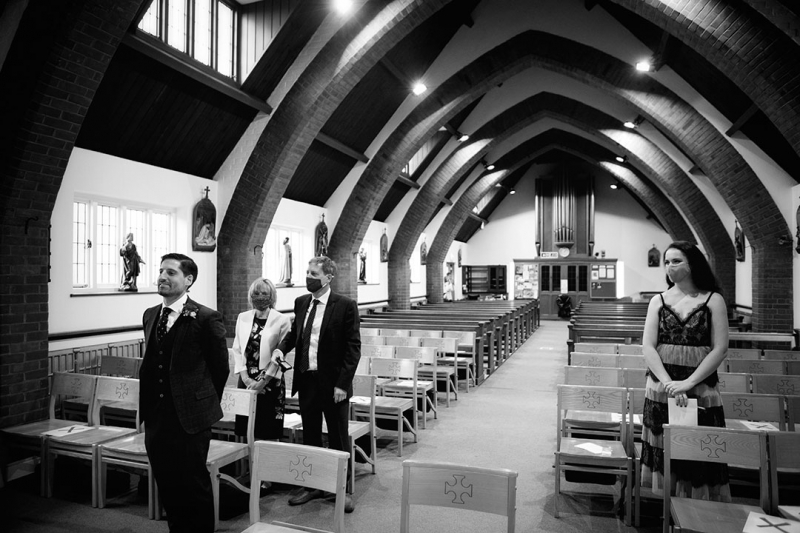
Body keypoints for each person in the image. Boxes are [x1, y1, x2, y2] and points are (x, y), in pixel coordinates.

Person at [139, 253, 229, 533]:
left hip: (191, 418)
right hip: (157, 417)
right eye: (161, 271)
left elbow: (220, 369)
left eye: (171, 272)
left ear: (188, 280)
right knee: (167, 482)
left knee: (193, 484)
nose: (162, 277)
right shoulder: (150, 314)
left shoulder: (206, 317)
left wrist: (200, 403)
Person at [640, 241, 730, 501]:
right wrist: (669, 383)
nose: (670, 266)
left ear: (693, 264)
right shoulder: (658, 301)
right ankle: (667, 508)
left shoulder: (713, 300)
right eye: (666, 262)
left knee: (697, 444)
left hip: (700, 385)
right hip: (661, 385)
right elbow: (648, 346)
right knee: (665, 444)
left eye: (676, 261)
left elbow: (720, 348)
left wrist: (688, 382)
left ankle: (695, 510)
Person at [271, 256, 360, 513]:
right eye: (308, 272)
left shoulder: (345, 305)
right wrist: (281, 349)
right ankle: (312, 485)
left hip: (333, 384)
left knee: (337, 436)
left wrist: (342, 384)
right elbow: (295, 334)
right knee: (310, 435)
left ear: (328, 277)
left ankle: (341, 488)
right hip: (307, 379)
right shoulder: (302, 302)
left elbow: (353, 348)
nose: (308, 277)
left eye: (314, 273)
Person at [231, 278, 291, 440]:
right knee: (245, 430)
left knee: (267, 430)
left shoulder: (282, 319)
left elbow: (281, 353)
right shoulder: (243, 317)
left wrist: (262, 382)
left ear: (272, 296)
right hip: (246, 378)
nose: (260, 296)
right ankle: (246, 456)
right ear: (251, 295)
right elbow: (237, 349)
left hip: (270, 379)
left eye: (264, 293)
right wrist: (245, 378)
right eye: (256, 293)